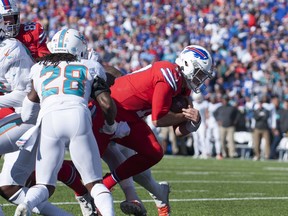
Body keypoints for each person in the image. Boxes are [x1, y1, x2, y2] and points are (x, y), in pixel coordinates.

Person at [14, 28, 130, 216]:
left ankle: (26, 204)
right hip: (77, 116)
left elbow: (27, 110)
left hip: (49, 120)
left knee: (44, 185)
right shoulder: (90, 65)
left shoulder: (39, 68)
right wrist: (111, 126)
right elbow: (107, 105)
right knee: (94, 183)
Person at [93, 45, 214, 215]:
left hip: (129, 116)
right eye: (200, 73)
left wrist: (195, 122)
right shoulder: (169, 74)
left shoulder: (183, 86)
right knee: (90, 161)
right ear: (188, 64)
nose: (201, 79)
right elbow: (158, 120)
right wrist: (183, 117)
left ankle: (108, 186)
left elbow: (178, 132)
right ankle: (102, 195)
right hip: (113, 109)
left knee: (153, 152)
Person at [0, 1, 97, 215]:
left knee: (44, 170)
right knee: (10, 186)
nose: (11, 23)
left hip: (32, 108)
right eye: (6, 18)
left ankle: (85, 192)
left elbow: (28, 88)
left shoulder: (13, 46)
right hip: (20, 109)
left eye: (11, 17)